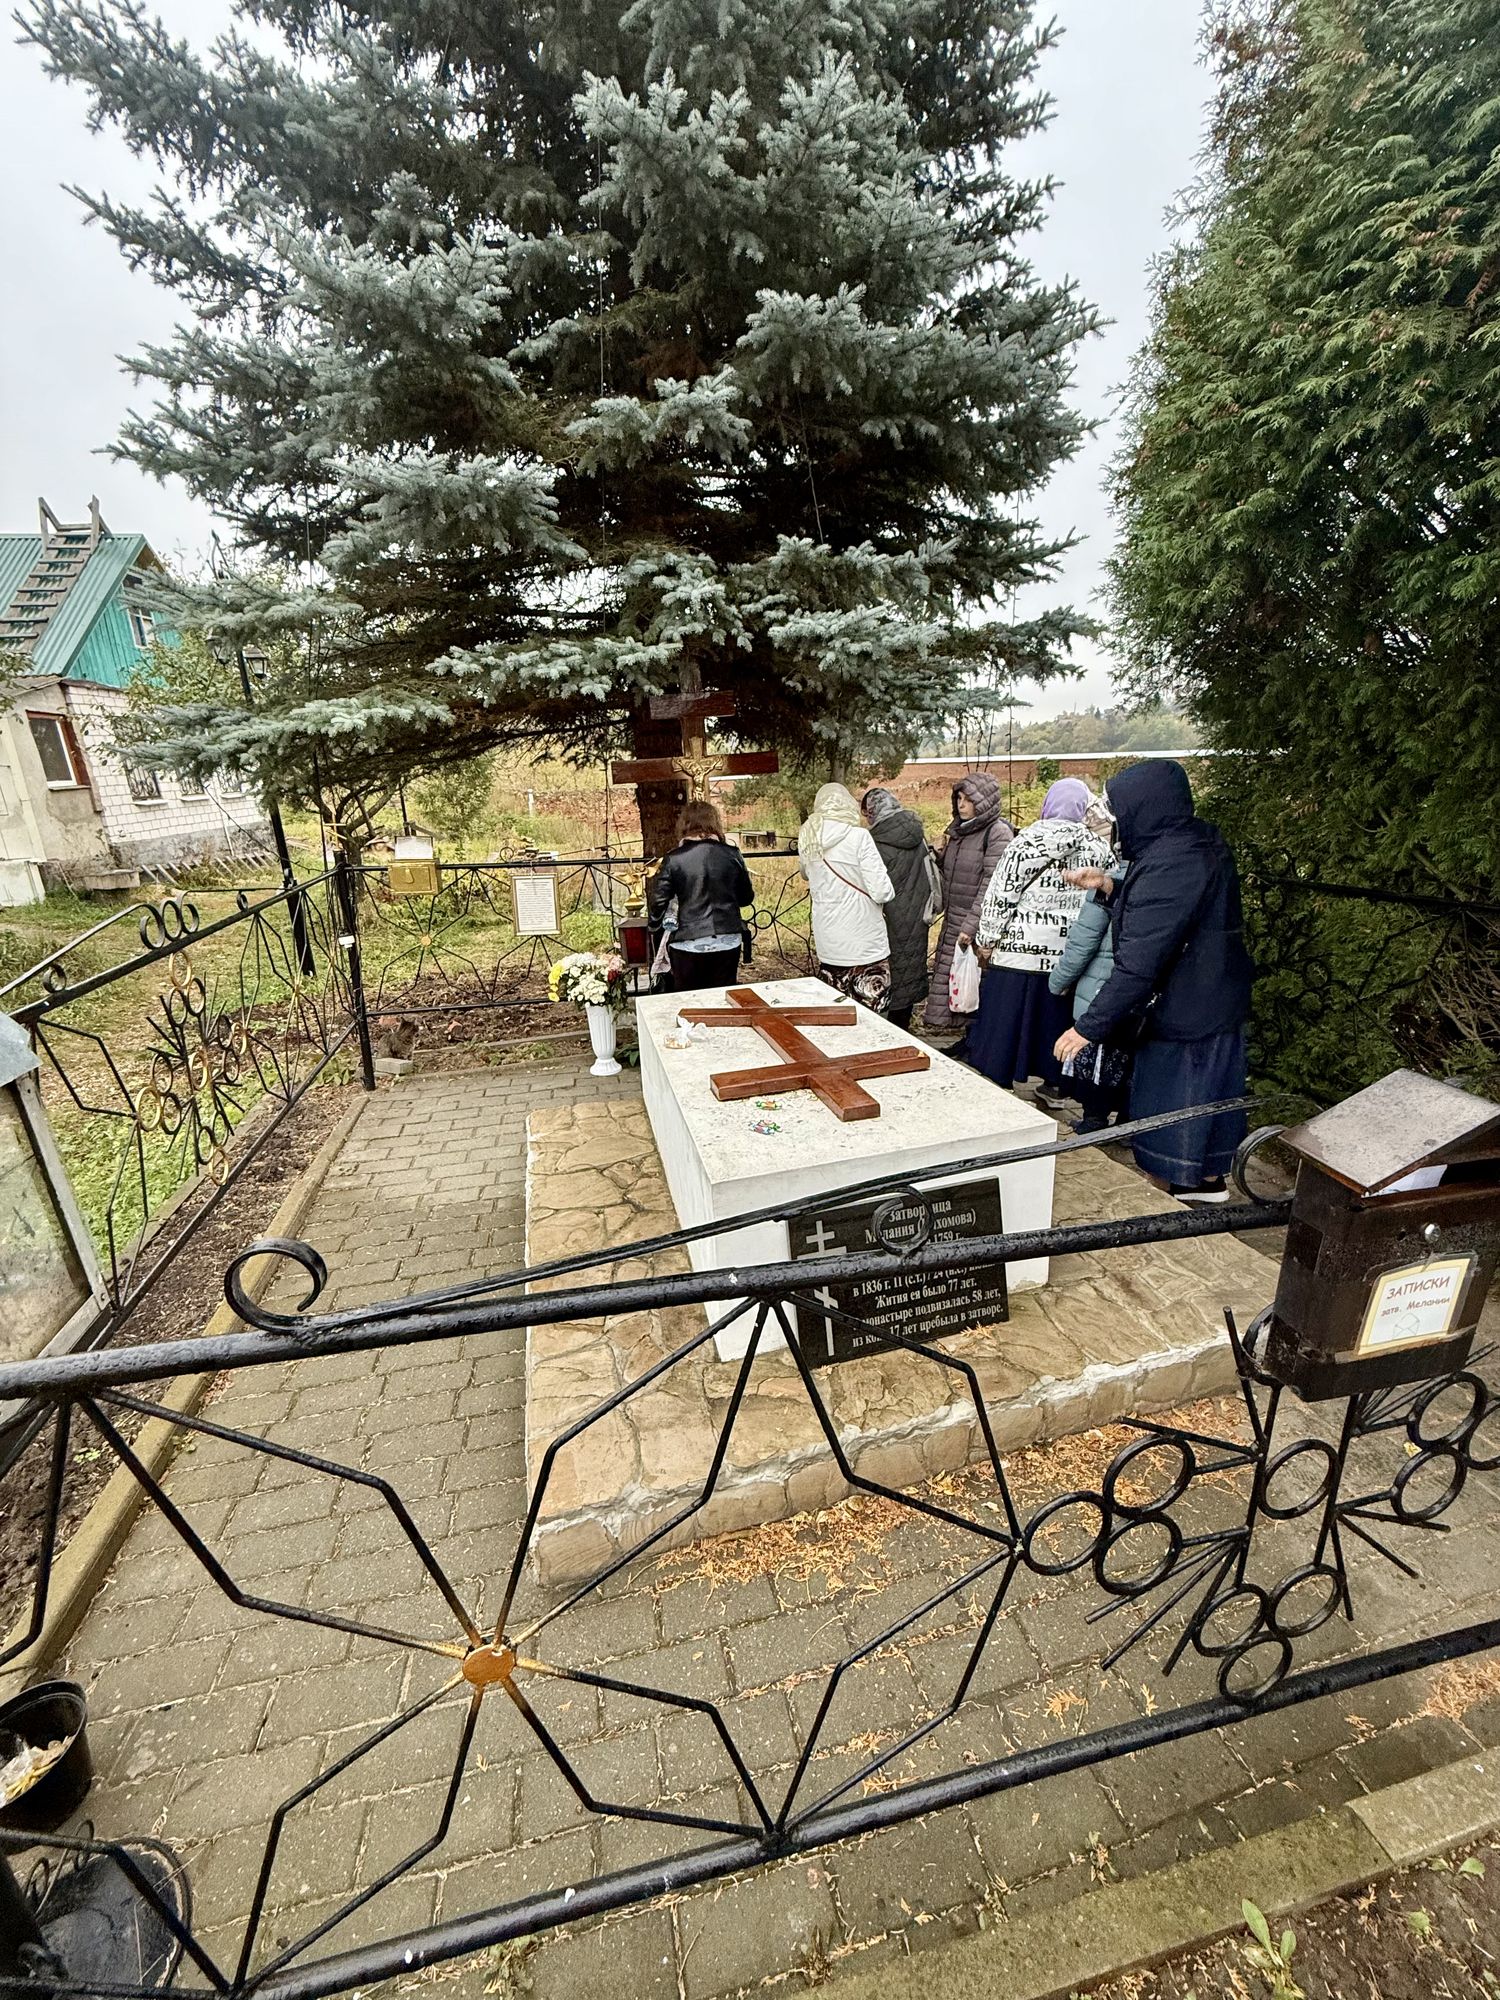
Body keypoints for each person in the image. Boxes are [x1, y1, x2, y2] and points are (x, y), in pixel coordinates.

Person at [1056, 759, 1253, 1204]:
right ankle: (1204, 1182)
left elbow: (1142, 958)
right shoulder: (1193, 842)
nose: (1118, 820)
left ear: (1145, 807)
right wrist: (1109, 886)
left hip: (1187, 1008)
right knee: (1208, 1103)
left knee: (1175, 1107)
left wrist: (1088, 1027)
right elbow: (1176, 916)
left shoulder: (1173, 862)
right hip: (1212, 996)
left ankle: (1173, 1190)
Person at [967, 778, 1113, 1100]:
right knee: (1054, 1027)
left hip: (1017, 954)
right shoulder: (1097, 847)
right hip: (1069, 959)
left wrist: (986, 942)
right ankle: (1056, 1088)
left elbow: (1000, 896)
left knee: (1005, 1028)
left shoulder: (1024, 843)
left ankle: (999, 1086)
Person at [1048, 827, 1130, 1131]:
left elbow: (1084, 940)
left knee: (1098, 1058)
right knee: (1128, 1060)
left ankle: (1093, 1121)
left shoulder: (1111, 881)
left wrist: (1058, 981)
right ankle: (1127, 1124)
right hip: (1139, 995)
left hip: (1101, 988)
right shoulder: (1160, 882)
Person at [922, 774, 1013, 1033]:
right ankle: (967, 1039)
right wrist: (941, 857)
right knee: (959, 987)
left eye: (969, 800)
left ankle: (978, 1042)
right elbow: (959, 874)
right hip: (954, 920)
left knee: (975, 988)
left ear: (983, 802)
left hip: (976, 926)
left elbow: (992, 885)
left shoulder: (997, 833)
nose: (961, 805)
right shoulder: (960, 831)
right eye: (959, 798)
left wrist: (972, 925)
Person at [797, 782, 895, 1011]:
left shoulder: (809, 837)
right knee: (871, 1015)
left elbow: (805, 874)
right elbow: (882, 891)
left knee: (836, 1013)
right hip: (865, 943)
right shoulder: (859, 837)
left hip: (829, 943)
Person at [647, 800, 755, 992]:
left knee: (689, 998)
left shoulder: (674, 858)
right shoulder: (732, 854)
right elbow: (746, 898)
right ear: (715, 823)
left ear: (684, 825)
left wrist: (656, 932)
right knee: (722, 996)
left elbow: (658, 903)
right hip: (727, 938)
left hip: (686, 940)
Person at [861, 786, 932, 1030]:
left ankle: (884, 1031)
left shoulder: (874, 842)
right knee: (909, 970)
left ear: (871, 811)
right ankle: (903, 1028)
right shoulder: (917, 834)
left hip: (886, 916)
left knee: (886, 971)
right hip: (917, 913)